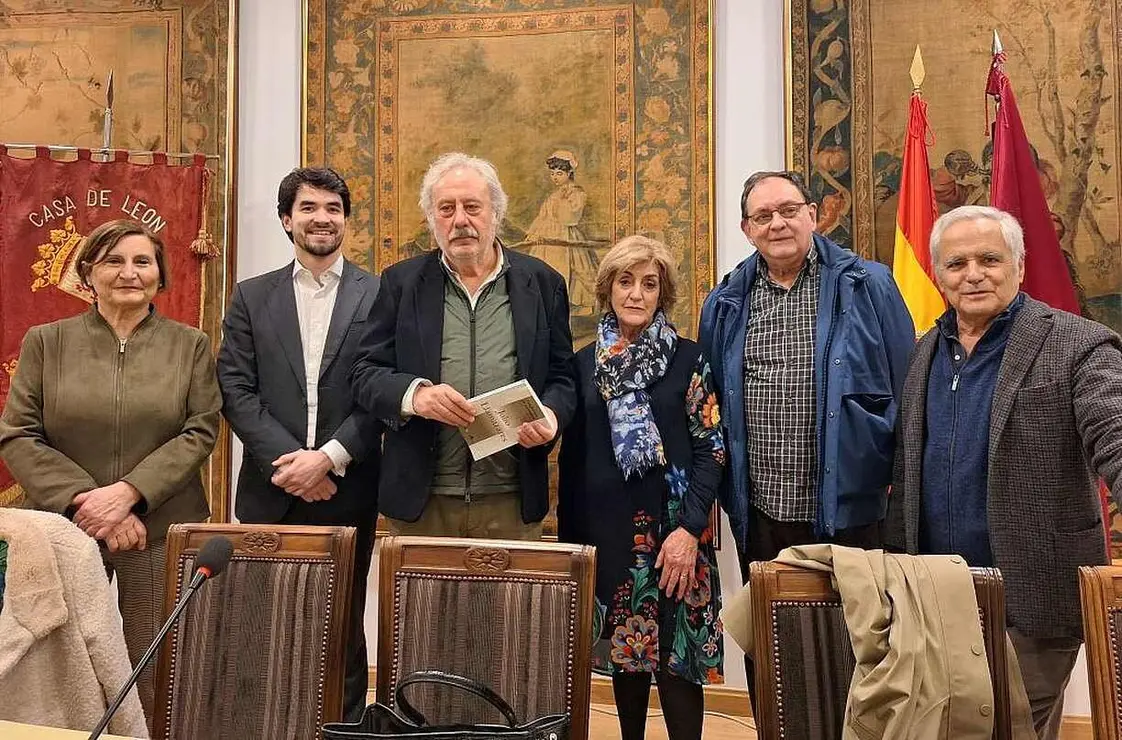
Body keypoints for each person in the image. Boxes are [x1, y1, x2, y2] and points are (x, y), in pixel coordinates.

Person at [886, 205, 1122, 740]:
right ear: (939, 274)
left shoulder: (1079, 344)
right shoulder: (924, 352)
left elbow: (1115, 434)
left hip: (1034, 597)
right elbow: (906, 473)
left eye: (989, 260)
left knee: (1012, 729)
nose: (973, 274)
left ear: (1019, 265)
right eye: (956, 263)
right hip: (937, 598)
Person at [697, 170, 914, 707]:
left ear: (813, 215)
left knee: (857, 648)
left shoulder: (869, 285)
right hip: (762, 511)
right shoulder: (725, 301)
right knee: (773, 647)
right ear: (747, 229)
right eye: (763, 216)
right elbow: (713, 407)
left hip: (852, 507)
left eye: (789, 210)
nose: (777, 223)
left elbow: (908, 393)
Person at [0, 218, 221, 724]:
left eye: (142, 261)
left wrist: (129, 494)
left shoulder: (190, 345)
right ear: (87, 274)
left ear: (160, 275)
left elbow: (200, 430)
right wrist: (89, 500)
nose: (129, 273)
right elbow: (18, 434)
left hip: (158, 527)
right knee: (64, 667)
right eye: (113, 261)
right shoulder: (46, 342)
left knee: (157, 665)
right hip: (66, 529)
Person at [216, 167, 382, 721]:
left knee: (343, 627)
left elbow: (382, 391)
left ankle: (345, 728)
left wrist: (327, 459)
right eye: (309, 207)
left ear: (346, 220)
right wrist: (291, 464)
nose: (322, 218)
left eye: (333, 208)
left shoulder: (379, 295)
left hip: (348, 488)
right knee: (265, 623)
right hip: (272, 488)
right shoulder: (251, 296)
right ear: (287, 220)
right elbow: (235, 388)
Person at [349, 151, 575, 539]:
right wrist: (415, 396)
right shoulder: (401, 283)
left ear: (495, 213)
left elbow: (563, 377)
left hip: (511, 501)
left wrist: (551, 416)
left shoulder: (543, 283)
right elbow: (364, 373)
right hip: (421, 504)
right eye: (446, 209)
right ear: (431, 218)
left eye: (472, 207)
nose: (460, 220)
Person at [558, 235, 723, 740]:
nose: (636, 294)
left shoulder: (689, 358)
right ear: (608, 289)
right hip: (607, 538)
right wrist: (572, 546)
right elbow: (572, 460)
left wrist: (689, 531)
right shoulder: (584, 364)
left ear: (661, 293)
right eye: (625, 282)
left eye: (648, 284)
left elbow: (712, 450)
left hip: (676, 535)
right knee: (624, 663)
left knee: (677, 665)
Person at [524, 149, 598, 317]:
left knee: (576, 268)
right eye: (552, 174)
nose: (555, 177)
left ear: (569, 172)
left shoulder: (577, 193)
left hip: (565, 235)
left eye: (559, 173)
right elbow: (543, 216)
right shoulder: (553, 196)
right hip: (547, 239)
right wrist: (534, 233)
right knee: (546, 269)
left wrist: (565, 200)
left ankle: (577, 305)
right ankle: (549, 305)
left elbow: (571, 217)